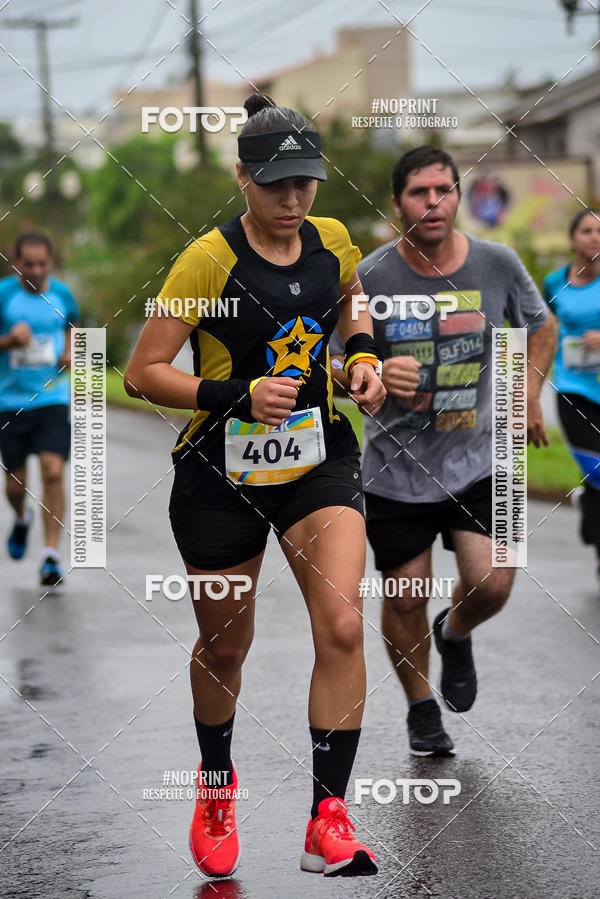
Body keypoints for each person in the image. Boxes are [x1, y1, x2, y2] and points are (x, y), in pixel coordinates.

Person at [124, 95, 386, 879]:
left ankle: (328, 819)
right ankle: (214, 787)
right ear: (241, 176)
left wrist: (364, 356)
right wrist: (235, 393)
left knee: (341, 623)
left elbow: (349, 299)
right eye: (275, 184)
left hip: (318, 461)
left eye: (305, 182)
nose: (292, 199)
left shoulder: (331, 239)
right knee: (225, 646)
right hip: (220, 473)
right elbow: (142, 373)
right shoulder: (207, 259)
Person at [331, 146, 556, 756]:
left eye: (443, 190)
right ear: (397, 202)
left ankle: (454, 634)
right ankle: (421, 708)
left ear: (457, 195)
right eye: (418, 193)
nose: (433, 202)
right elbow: (328, 366)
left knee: (493, 583)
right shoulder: (369, 277)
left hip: (481, 459)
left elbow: (541, 326)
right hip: (393, 471)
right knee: (405, 597)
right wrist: (370, 368)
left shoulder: (498, 264)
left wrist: (529, 393)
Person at [0, 231, 78, 587]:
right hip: (10, 402)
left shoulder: (62, 294)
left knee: (52, 471)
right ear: (16, 262)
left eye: (42, 264)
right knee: (15, 487)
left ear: (50, 262)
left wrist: (69, 350)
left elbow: (72, 328)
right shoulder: (4, 295)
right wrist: (7, 341)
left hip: (52, 397)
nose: (35, 270)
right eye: (28, 264)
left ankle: (50, 556)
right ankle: (21, 518)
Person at [544, 208, 600, 578]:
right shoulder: (554, 282)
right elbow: (544, 330)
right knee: (596, 472)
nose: (595, 237)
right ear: (572, 239)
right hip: (572, 390)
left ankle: (592, 526)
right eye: (586, 230)